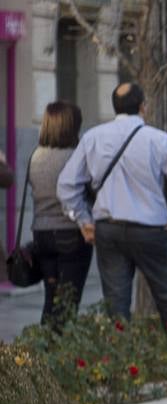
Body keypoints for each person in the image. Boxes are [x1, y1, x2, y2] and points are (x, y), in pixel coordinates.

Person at [57, 83, 167, 353]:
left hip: (108, 229)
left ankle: (121, 370)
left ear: (115, 107)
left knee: (116, 303)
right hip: (150, 229)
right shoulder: (157, 139)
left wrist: (82, 220)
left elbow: (66, 185)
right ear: (142, 107)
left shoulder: (93, 137)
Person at [28, 101, 93, 328]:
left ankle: (43, 352)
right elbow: (90, 191)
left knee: (51, 297)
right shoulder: (75, 157)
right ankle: (60, 355)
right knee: (67, 302)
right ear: (70, 126)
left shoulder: (36, 156)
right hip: (70, 235)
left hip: (41, 235)